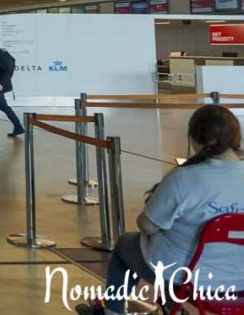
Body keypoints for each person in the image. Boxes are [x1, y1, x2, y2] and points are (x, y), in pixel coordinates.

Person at [76, 105, 244, 315]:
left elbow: (147, 225)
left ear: (193, 140)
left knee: (126, 243)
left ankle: (113, 310)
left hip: (187, 279)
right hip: (240, 282)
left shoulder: (184, 179)